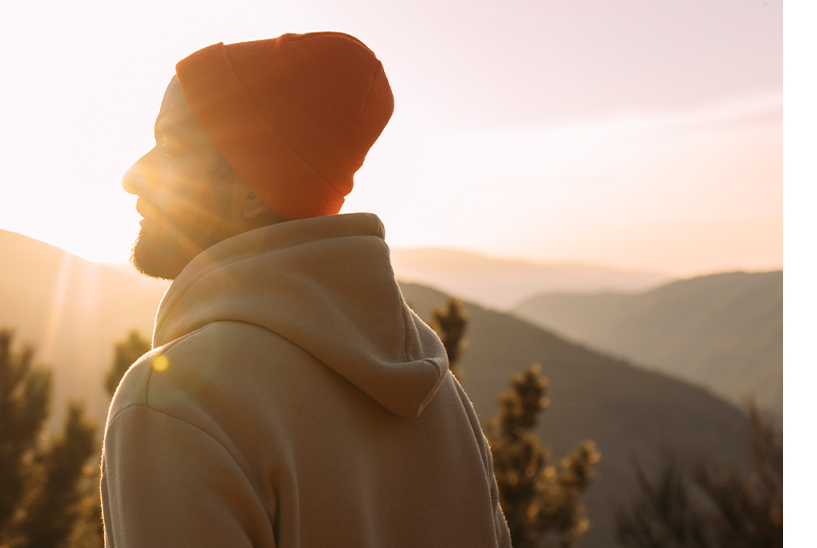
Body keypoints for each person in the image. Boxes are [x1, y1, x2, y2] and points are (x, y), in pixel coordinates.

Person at [100, 32, 512, 547]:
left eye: (172, 147)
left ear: (254, 189)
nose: (133, 175)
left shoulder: (174, 401)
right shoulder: (443, 401)